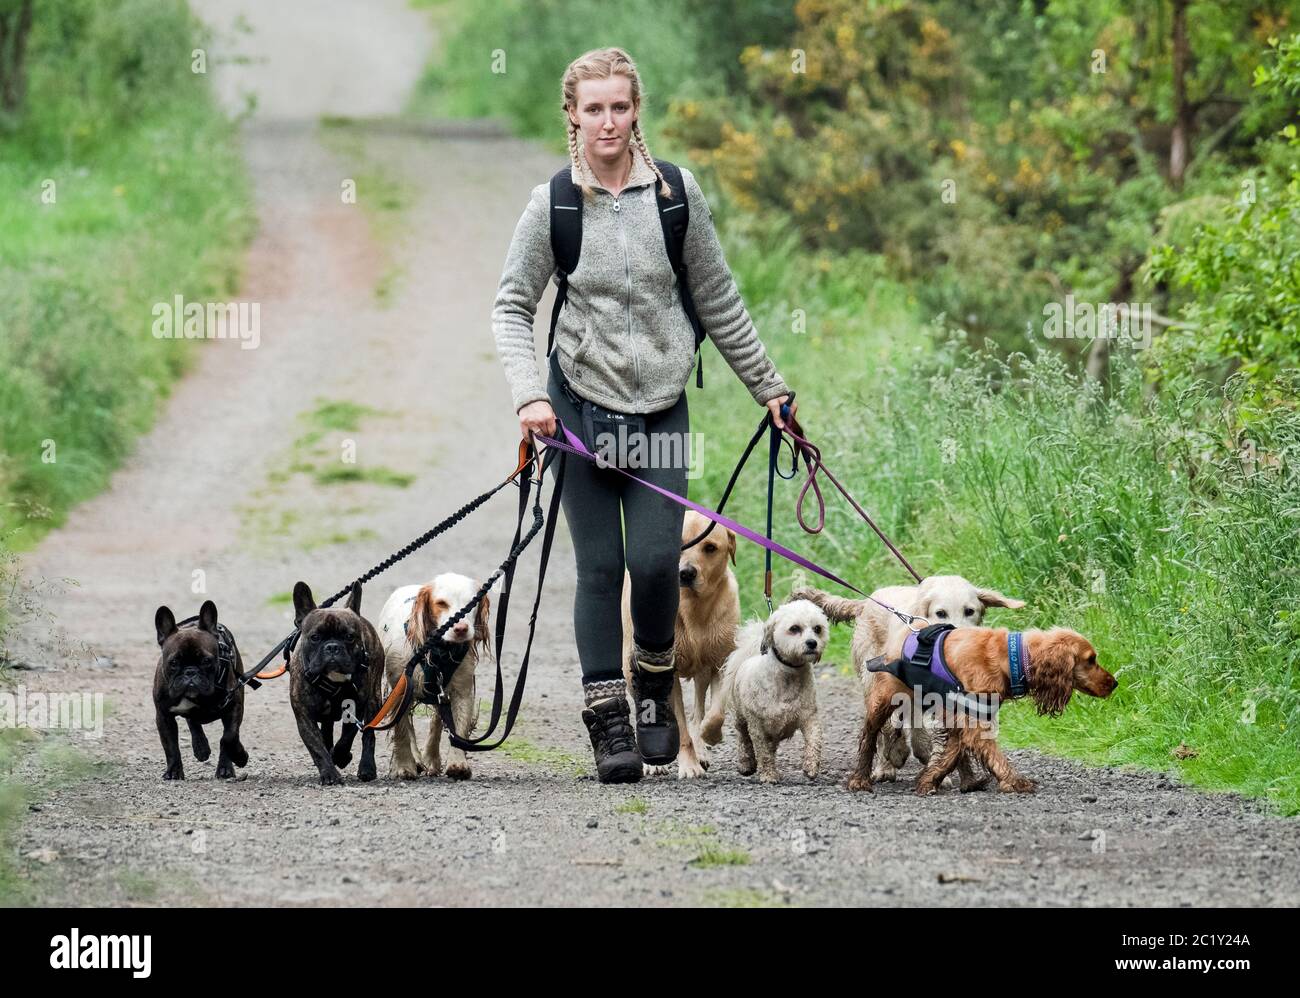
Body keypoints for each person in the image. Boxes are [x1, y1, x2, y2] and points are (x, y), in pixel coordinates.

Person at [491, 46, 795, 783]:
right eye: (592, 108)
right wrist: (531, 395)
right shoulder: (553, 204)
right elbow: (511, 306)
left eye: (619, 107)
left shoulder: (676, 197)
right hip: (577, 414)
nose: (607, 122)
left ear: (636, 111)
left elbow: (719, 298)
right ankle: (608, 723)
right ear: (572, 114)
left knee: (657, 563)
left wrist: (771, 389)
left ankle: (654, 683)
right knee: (599, 569)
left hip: (660, 412)